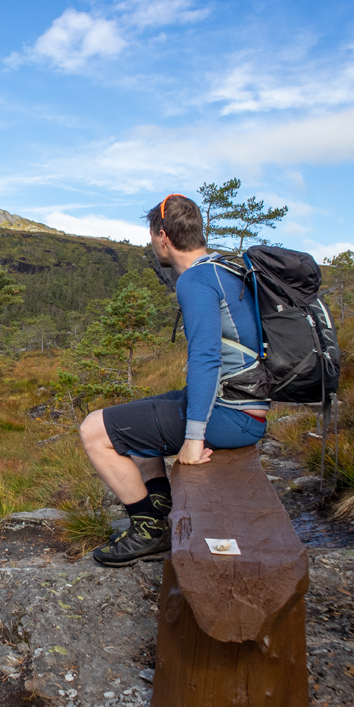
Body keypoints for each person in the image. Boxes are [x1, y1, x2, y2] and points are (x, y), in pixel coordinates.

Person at [79, 194, 269, 566]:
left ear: (163, 237)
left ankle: (149, 530)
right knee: (134, 421)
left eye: (153, 238)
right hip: (244, 407)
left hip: (232, 416)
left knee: (94, 431)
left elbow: (206, 358)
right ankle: (161, 506)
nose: (153, 245)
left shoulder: (195, 280)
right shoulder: (223, 270)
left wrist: (194, 438)